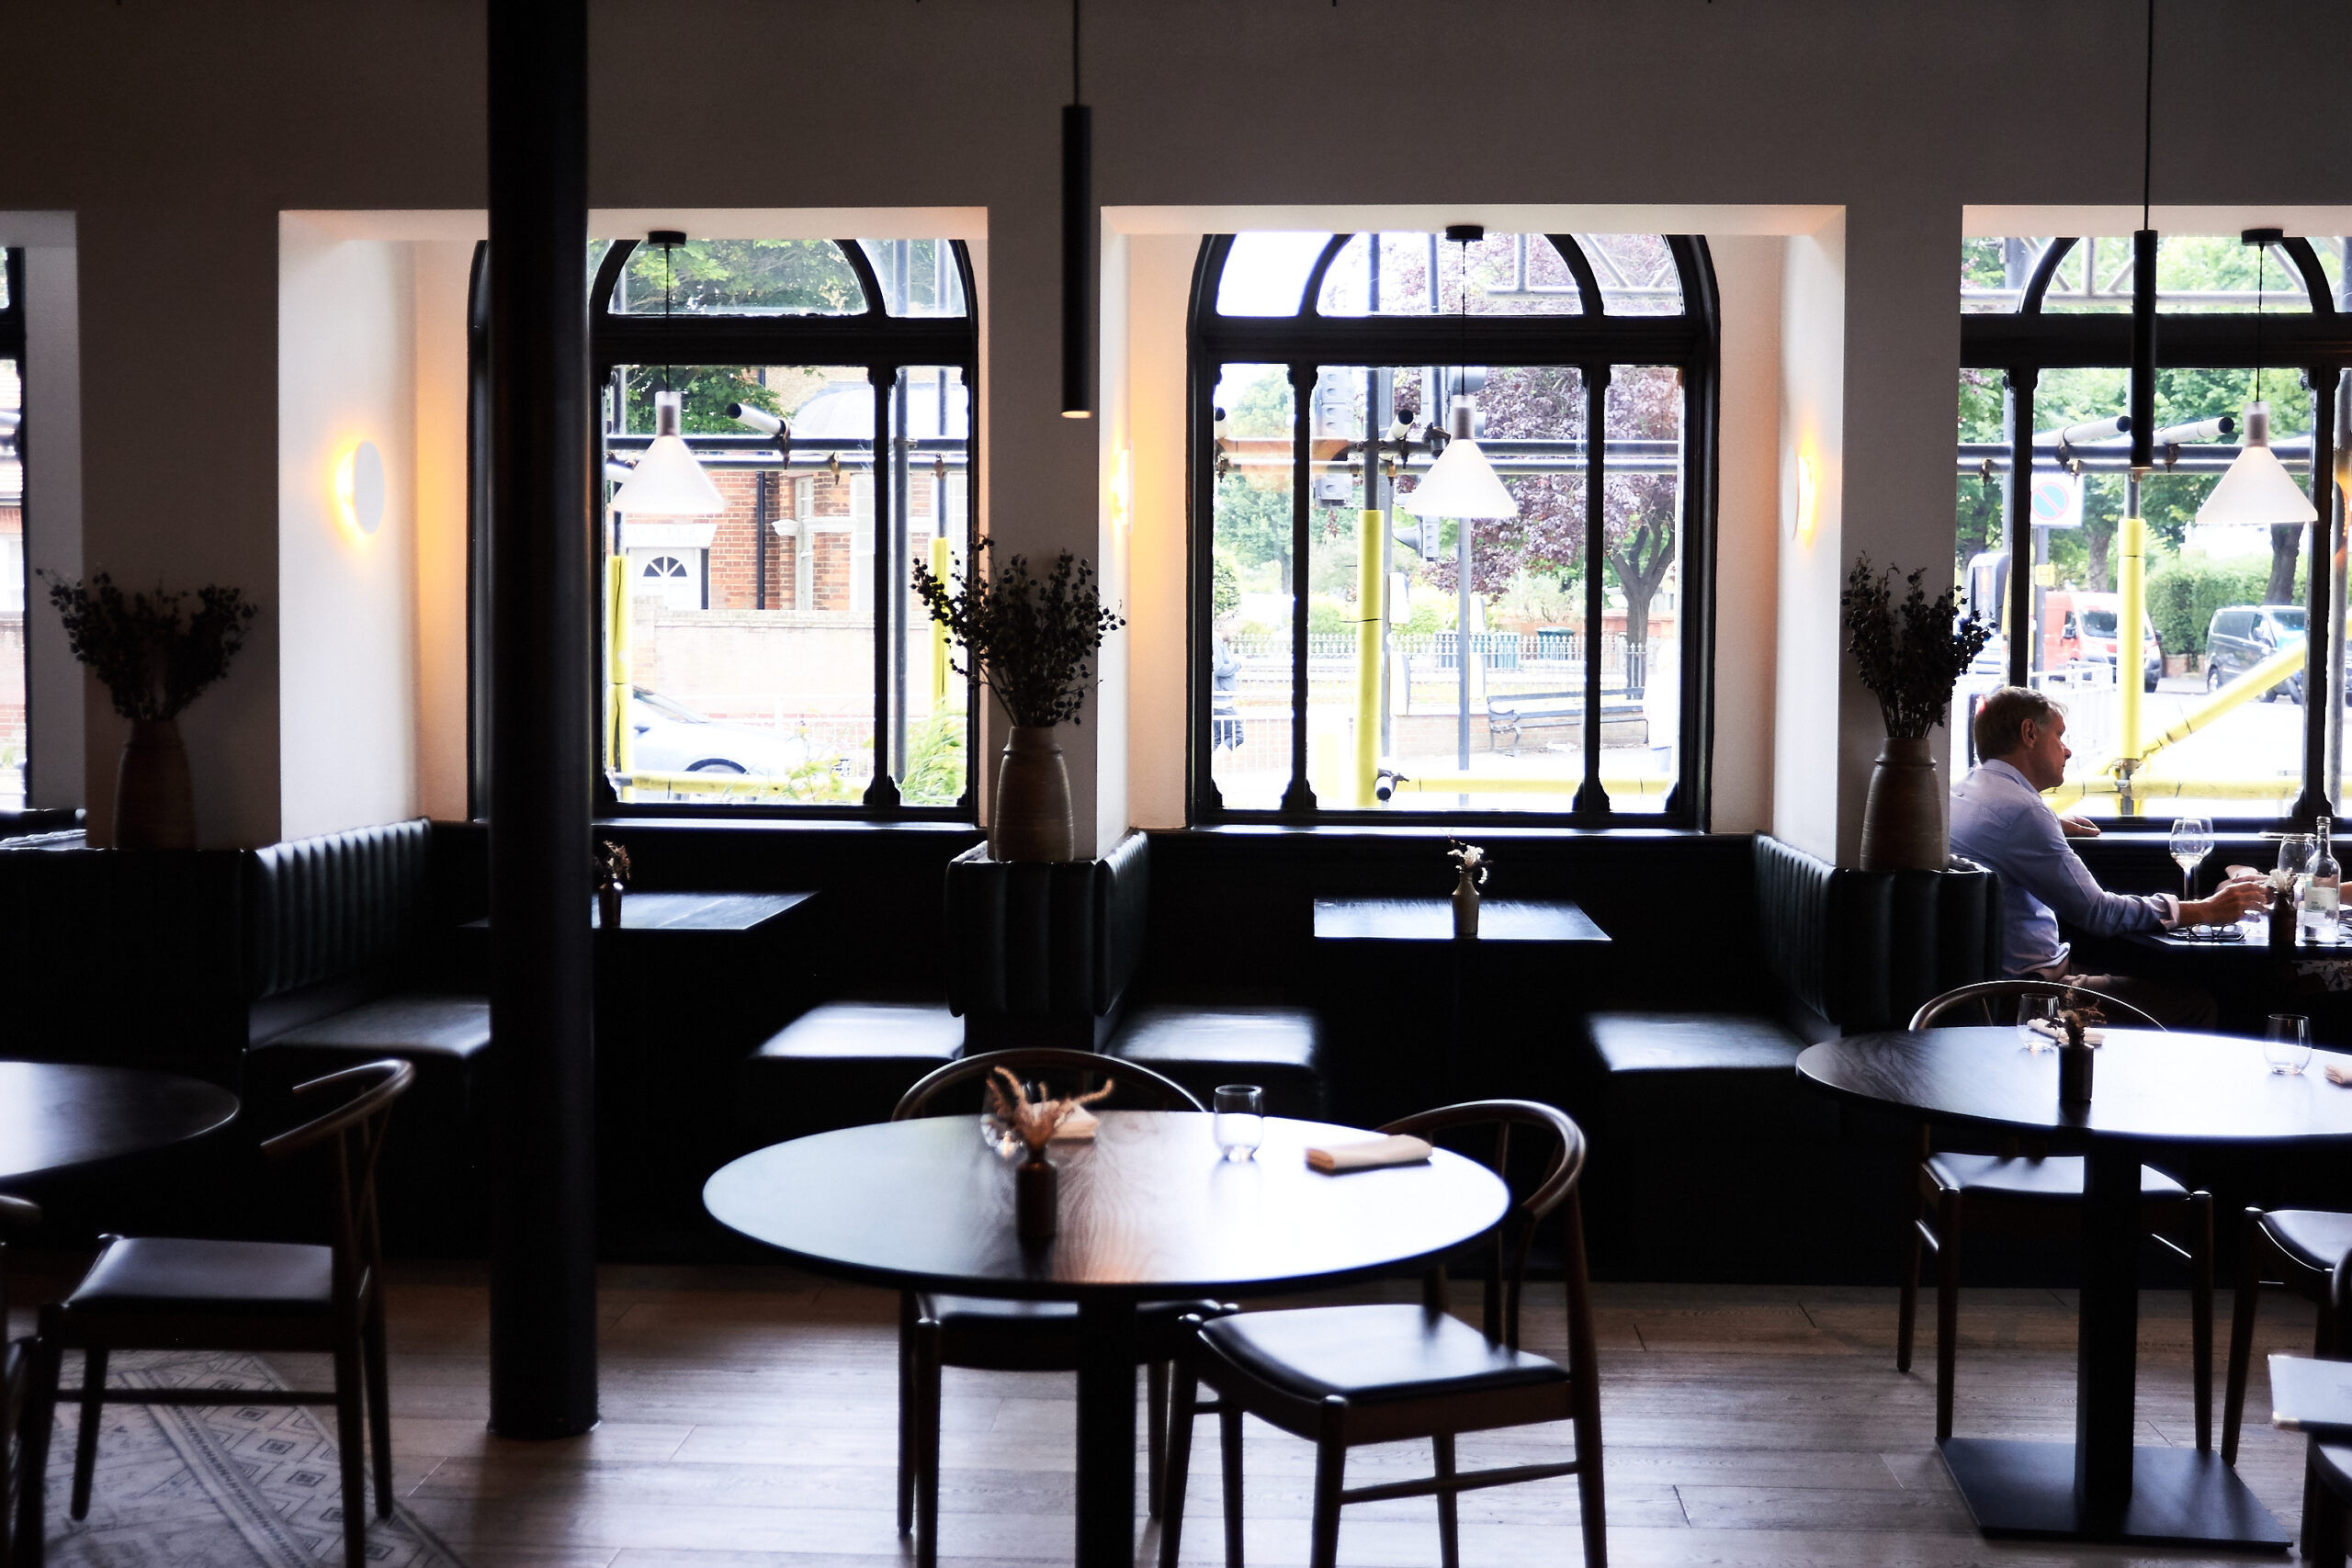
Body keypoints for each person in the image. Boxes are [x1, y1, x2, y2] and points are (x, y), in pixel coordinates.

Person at [1949, 685, 2267, 1029]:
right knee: (2196, 1006)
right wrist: (2204, 909)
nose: (2067, 751)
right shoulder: (2024, 813)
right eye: (2059, 736)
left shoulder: (1965, 791)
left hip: (1988, 986)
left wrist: (2050, 822)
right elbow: (2098, 913)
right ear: (2029, 733)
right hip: (2029, 993)